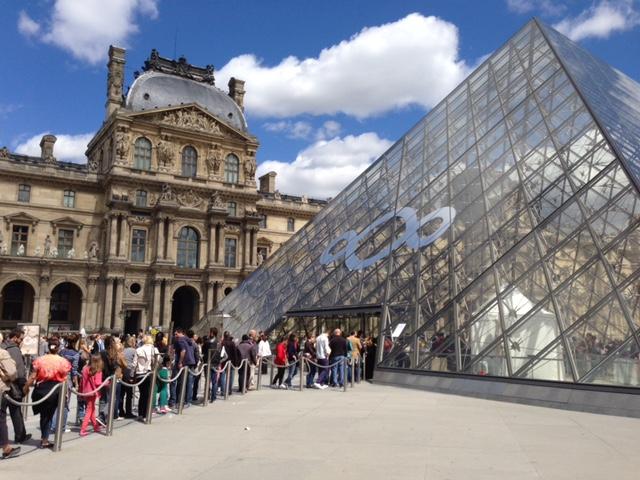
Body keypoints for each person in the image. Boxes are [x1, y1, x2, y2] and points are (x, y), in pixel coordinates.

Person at [23, 338, 71, 449]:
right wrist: (66, 393)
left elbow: (33, 376)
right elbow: (65, 378)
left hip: (42, 389)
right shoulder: (64, 362)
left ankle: (44, 438)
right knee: (51, 413)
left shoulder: (39, 360)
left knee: (44, 415)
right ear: (58, 347)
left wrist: (26, 387)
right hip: (56, 389)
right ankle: (46, 438)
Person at [1, 329, 30, 444]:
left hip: (2, 385)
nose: (21, 341)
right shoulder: (15, 350)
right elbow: (20, 371)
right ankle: (20, 435)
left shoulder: (1, 346)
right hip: (13, 385)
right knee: (16, 411)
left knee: (2, 414)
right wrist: (24, 384)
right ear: (14, 338)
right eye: (21, 339)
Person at [0, 345, 20, 459]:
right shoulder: (2, 353)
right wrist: (7, 378)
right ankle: (6, 448)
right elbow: (12, 372)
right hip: (1, 389)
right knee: (1, 418)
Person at [133, 335, 158, 421]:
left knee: (142, 394)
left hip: (140, 373)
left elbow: (134, 364)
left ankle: (141, 413)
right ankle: (146, 414)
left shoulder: (138, 349)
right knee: (148, 394)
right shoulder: (154, 349)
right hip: (150, 373)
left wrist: (132, 374)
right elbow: (158, 361)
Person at [79, 354, 103, 436]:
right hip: (93, 391)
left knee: (92, 409)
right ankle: (83, 429)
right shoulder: (97, 370)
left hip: (86, 391)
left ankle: (96, 426)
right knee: (89, 410)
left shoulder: (85, 368)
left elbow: (82, 381)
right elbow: (98, 382)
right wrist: (106, 383)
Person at [202, 328, 221, 402]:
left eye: (209, 332)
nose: (208, 333)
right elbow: (220, 354)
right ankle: (213, 397)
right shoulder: (219, 343)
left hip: (207, 363)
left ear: (212, 333)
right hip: (215, 363)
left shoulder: (207, 343)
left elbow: (203, 352)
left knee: (207, 380)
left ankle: (207, 396)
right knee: (214, 381)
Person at [120, 336, 137, 418]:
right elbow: (135, 363)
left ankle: (121, 411)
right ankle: (128, 412)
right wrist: (132, 375)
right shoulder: (134, 351)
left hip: (123, 371)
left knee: (122, 393)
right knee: (129, 393)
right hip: (129, 371)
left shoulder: (123, 350)